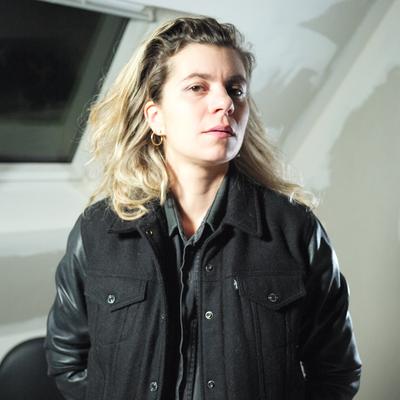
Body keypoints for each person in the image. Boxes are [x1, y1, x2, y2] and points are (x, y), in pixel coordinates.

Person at [45, 16, 362, 400]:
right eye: (197, 87)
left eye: (236, 90)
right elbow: (68, 361)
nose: (225, 103)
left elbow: (336, 373)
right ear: (155, 117)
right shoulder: (98, 230)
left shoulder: (295, 230)